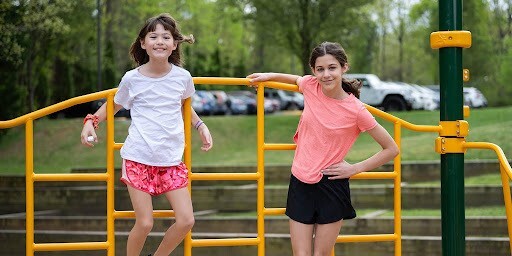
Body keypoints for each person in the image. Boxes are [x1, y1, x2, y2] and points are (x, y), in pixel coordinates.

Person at [247, 41, 399, 256]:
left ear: (344, 68)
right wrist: (266, 76)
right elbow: (294, 79)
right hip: (300, 181)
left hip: (332, 185)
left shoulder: (356, 110)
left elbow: (391, 148)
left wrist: (354, 169)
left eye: (332, 67)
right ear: (313, 71)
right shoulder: (311, 86)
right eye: (320, 69)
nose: (326, 74)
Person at [80, 13, 213, 256]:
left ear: (174, 44)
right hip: (139, 157)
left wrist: (200, 126)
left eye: (166, 36)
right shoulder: (132, 79)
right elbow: (115, 104)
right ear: (143, 43)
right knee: (145, 223)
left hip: (171, 161)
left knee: (186, 221)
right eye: (153, 36)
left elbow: (184, 105)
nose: (160, 41)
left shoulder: (182, 77)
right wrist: (92, 121)